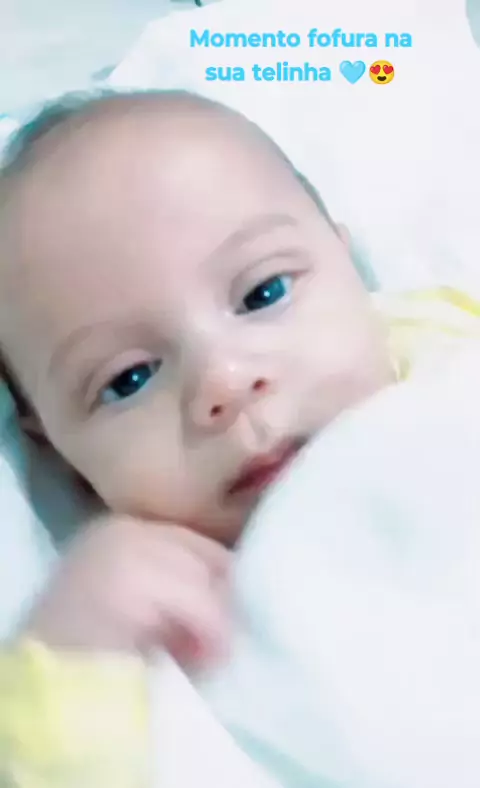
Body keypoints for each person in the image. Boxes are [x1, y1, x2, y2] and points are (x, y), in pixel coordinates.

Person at [0, 89, 478, 786]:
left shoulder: (445, 350)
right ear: (55, 450)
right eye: (128, 379)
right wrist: (72, 655)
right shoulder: (143, 632)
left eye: (263, 294)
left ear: (348, 264)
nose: (224, 381)